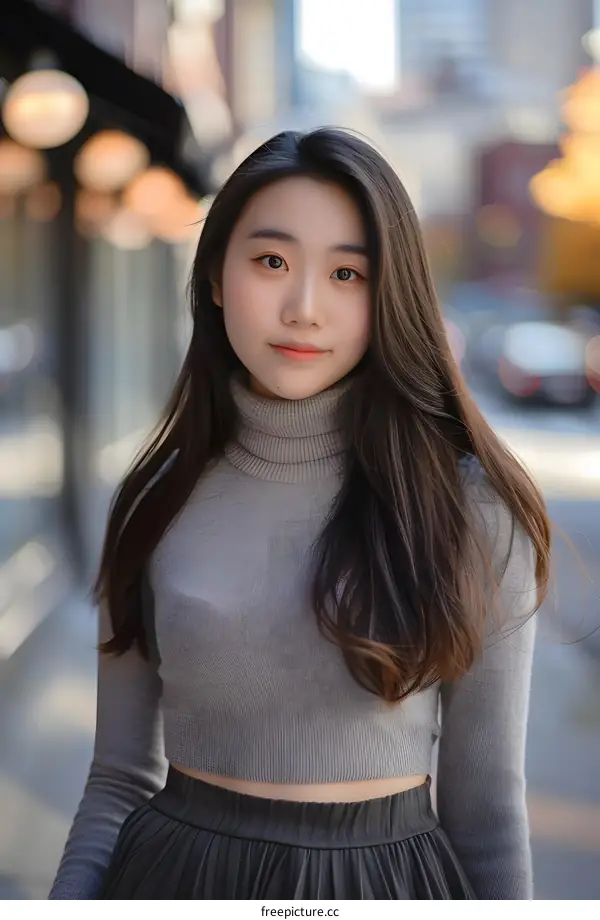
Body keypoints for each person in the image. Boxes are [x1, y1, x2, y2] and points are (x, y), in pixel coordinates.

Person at [48, 127, 551, 900]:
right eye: (272, 261)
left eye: (348, 272)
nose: (304, 308)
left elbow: (486, 816)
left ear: (390, 295)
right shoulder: (156, 497)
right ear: (216, 275)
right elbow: (117, 778)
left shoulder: (468, 511)